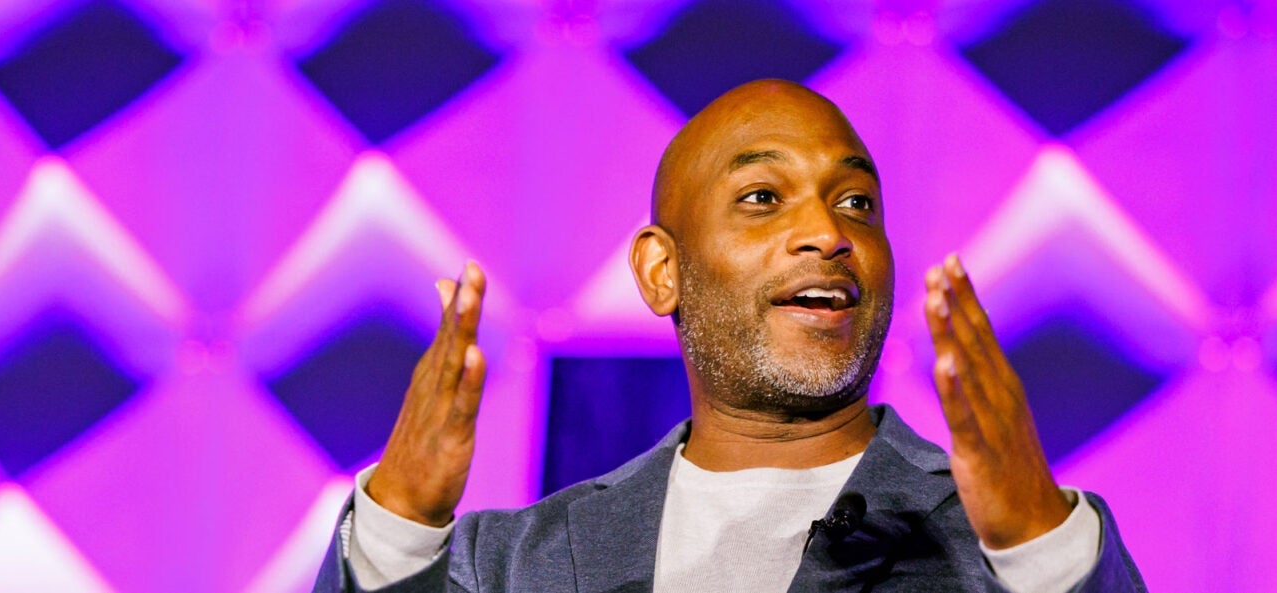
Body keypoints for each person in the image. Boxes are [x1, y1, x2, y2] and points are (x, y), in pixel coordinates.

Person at [312, 79, 1144, 592]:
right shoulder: (511, 565)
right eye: (761, 198)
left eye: (856, 202)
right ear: (660, 272)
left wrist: (1039, 551)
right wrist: (400, 526)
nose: (828, 231)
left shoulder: (1016, 547)